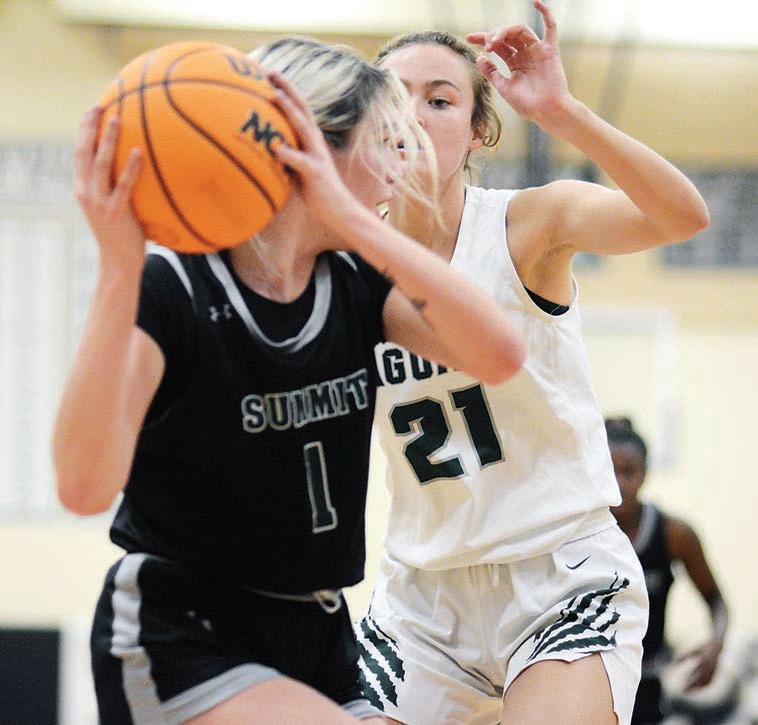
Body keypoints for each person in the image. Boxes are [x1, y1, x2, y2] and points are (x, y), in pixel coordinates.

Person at [52, 38, 525, 725]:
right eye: (386, 142)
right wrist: (118, 268)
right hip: (183, 630)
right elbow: (83, 487)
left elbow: (501, 354)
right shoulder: (176, 285)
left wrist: (356, 223)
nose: (402, 164)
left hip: (318, 632)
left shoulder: (356, 280)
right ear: (312, 148)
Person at [355, 2, 710, 724]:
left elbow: (683, 217)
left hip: (560, 578)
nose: (414, 115)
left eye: (440, 100)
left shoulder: (527, 225)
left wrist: (563, 114)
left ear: (478, 130)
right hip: (422, 597)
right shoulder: (345, 258)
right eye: (395, 98)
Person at [605, 417, 729, 724]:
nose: (619, 484)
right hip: (594, 675)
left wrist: (715, 645)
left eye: (629, 472)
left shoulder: (674, 534)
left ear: (645, 472)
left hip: (649, 678)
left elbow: (716, 601)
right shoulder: (579, 533)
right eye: (610, 472)